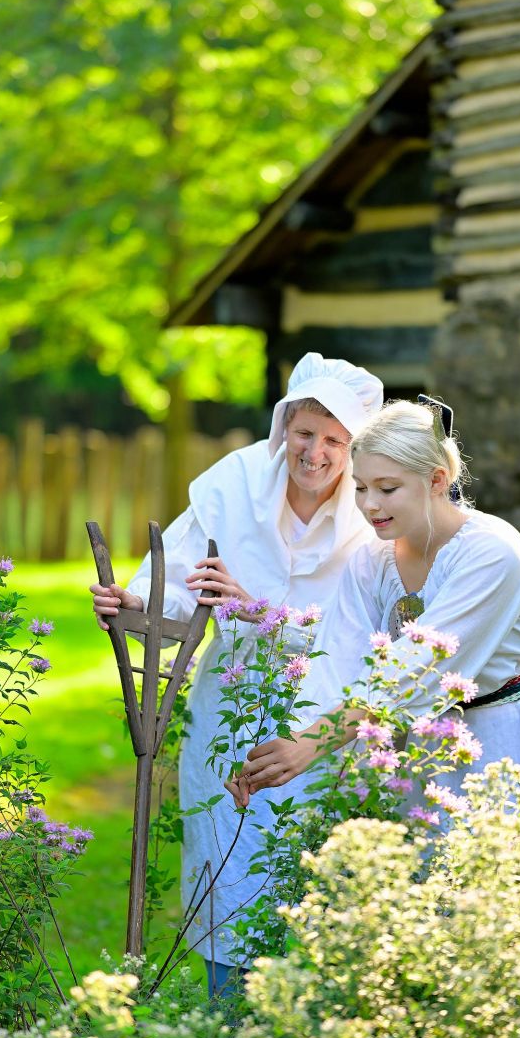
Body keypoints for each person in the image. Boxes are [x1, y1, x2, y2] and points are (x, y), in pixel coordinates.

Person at [90, 353, 383, 996]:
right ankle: (227, 1031)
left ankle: (302, 1028)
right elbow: (177, 580)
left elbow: (352, 644)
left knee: (312, 881)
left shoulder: (373, 516)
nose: (316, 453)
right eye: (306, 433)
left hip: (322, 725)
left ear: (353, 449)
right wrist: (136, 605)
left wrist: (252, 607)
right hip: (228, 711)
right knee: (228, 874)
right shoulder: (237, 482)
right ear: (285, 427)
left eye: (335, 440)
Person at [233, 397, 520, 806]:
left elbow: (420, 665)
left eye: (387, 488)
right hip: (432, 748)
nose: (369, 504)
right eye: (360, 488)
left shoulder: (493, 552)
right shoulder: (372, 561)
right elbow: (339, 659)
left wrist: (313, 742)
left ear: (436, 480)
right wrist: (284, 750)